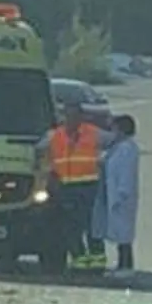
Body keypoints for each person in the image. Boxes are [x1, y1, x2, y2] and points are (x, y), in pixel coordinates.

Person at [37, 101, 116, 272]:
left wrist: (105, 162)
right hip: (65, 187)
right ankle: (79, 259)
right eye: (68, 115)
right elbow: (38, 150)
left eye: (75, 115)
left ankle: (97, 261)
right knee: (71, 227)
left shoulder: (94, 133)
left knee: (92, 226)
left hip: (89, 186)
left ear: (81, 117)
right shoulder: (54, 136)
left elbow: (115, 143)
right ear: (63, 117)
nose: (71, 119)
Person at [91, 114, 141, 280]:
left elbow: (127, 174)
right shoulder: (117, 147)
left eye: (114, 128)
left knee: (124, 235)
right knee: (120, 233)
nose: (112, 131)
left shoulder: (128, 148)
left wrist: (122, 194)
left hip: (122, 197)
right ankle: (121, 265)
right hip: (114, 196)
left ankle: (126, 266)